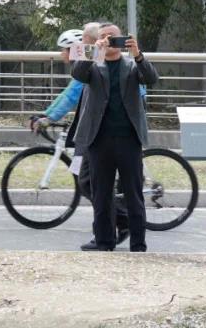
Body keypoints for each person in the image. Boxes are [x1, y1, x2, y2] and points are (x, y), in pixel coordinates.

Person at [28, 24, 131, 248]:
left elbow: (72, 94)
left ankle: (119, 222)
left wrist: (48, 117)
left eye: (83, 41)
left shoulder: (97, 59)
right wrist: (47, 114)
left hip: (100, 134)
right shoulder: (92, 59)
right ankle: (117, 223)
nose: (79, 47)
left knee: (88, 182)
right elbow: (70, 92)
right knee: (89, 182)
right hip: (96, 131)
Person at [71, 23, 159, 251]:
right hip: (98, 139)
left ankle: (138, 244)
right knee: (101, 195)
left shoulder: (131, 66)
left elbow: (151, 77)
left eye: (112, 37)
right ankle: (104, 241)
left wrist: (138, 54)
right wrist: (94, 51)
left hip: (129, 139)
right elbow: (77, 74)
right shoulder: (93, 65)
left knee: (134, 193)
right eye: (103, 37)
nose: (108, 40)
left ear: (122, 40)